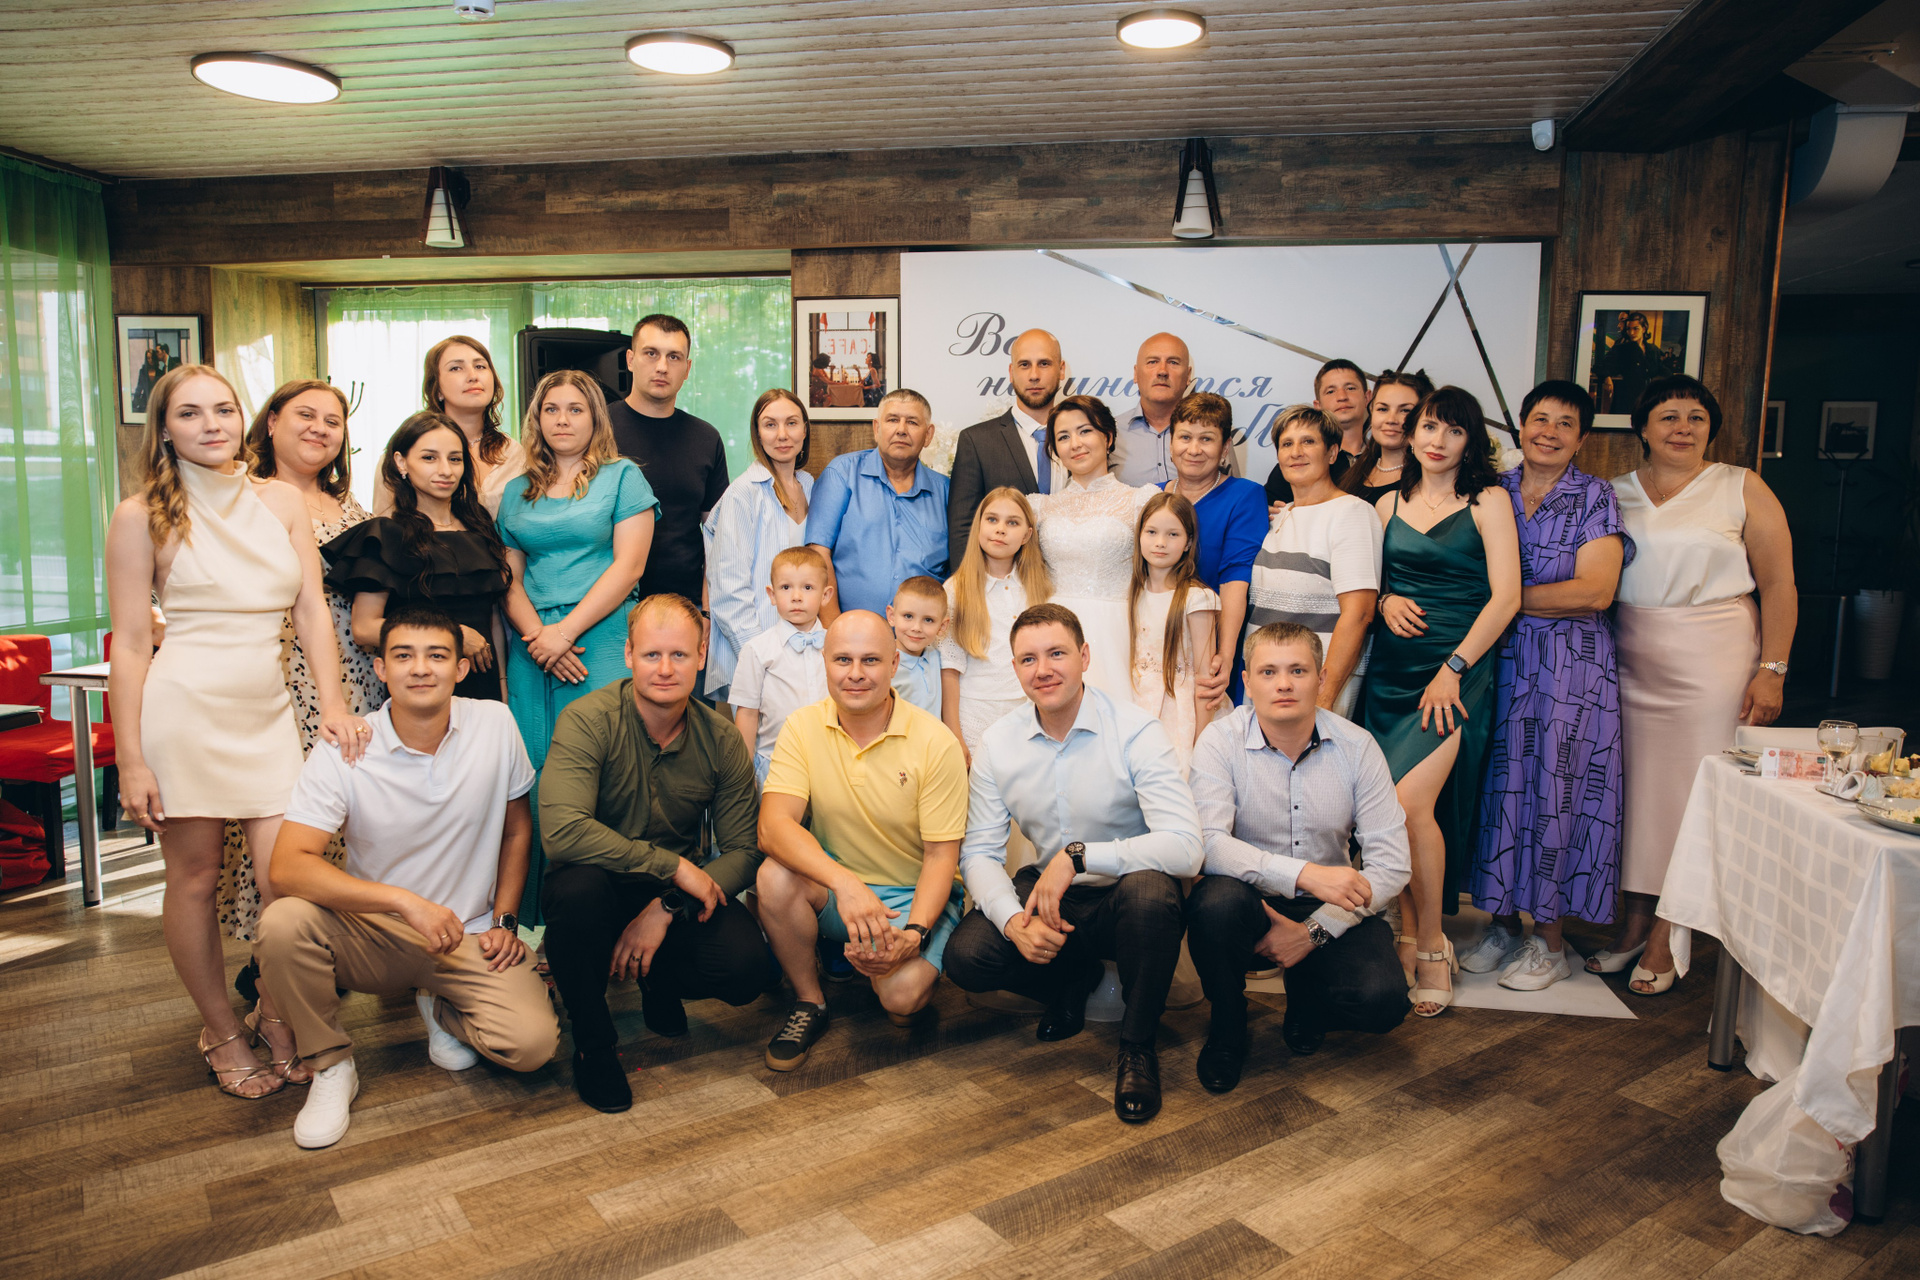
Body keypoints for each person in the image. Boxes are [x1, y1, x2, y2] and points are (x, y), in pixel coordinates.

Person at [106, 364, 371, 1100]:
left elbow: (312, 611)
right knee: (193, 879)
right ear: (165, 430)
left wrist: (335, 704)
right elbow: (130, 644)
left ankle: (277, 1014)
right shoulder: (139, 515)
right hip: (184, 711)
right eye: (190, 413)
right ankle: (221, 1029)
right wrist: (131, 760)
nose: (211, 424)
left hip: (269, 709)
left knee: (284, 878)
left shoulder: (280, 500)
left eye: (223, 409)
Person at [257, 608, 558, 1148]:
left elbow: (517, 830)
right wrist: (403, 902)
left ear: (460, 669)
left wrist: (507, 921)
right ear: (380, 668)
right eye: (403, 656)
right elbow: (286, 867)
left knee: (532, 1047)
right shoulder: (346, 746)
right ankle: (330, 1065)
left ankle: (440, 1003)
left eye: (437, 656)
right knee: (282, 923)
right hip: (376, 933)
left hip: (469, 933)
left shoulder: (495, 723)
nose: (421, 668)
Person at [945, 603, 1202, 1123]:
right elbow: (979, 852)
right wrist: (1013, 922)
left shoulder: (1135, 730)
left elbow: (1186, 846)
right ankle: (1069, 979)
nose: (1043, 670)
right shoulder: (998, 743)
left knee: (1152, 896)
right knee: (967, 957)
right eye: (1028, 659)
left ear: (1084, 657)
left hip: (1127, 895)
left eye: (1057, 654)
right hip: (1051, 897)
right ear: (1015, 669)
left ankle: (1137, 1046)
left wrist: (1079, 856)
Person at [539, 595, 775, 1113]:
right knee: (576, 895)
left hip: (670, 895)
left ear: (701, 656)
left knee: (746, 968)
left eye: (679, 655)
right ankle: (594, 1044)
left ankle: (656, 978)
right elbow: (562, 833)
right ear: (628, 654)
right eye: (651, 655)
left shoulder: (721, 739)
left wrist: (668, 905)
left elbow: (744, 849)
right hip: (594, 883)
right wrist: (673, 866)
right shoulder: (587, 720)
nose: (665, 669)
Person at [1599, 375, 1795, 995]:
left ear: (1711, 429)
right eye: (1668, 416)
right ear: (1643, 428)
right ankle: (1635, 922)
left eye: (1696, 417)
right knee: (1639, 796)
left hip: (1714, 656)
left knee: (1693, 796)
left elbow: (1780, 584)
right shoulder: (1613, 493)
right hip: (1630, 657)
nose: (1683, 427)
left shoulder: (1741, 485)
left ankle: (1670, 930)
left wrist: (1773, 670)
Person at [1185, 622, 1411, 1092]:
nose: (1283, 684)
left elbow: (1392, 865)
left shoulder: (1357, 747)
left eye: (1297, 671)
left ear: (1321, 678)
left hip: (1330, 903)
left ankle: (1308, 1000)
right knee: (1214, 904)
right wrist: (1304, 875)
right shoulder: (1220, 741)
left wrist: (1313, 931)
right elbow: (1208, 842)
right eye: (1268, 672)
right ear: (1247, 682)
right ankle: (1227, 1025)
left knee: (1383, 1001)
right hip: (1250, 898)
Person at [1463, 381, 1631, 990]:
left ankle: (1551, 942)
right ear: (1521, 426)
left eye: (1565, 423)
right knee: (1498, 786)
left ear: (1581, 438)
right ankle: (1502, 923)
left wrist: (1504, 600)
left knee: (1556, 791)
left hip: (1571, 669)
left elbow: (1596, 591)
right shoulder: (1491, 490)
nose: (1550, 432)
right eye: (1540, 419)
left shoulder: (1594, 496)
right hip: (1498, 661)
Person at [1361, 386, 1520, 1018]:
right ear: (1411, 432)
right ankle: (1407, 936)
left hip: (1456, 668)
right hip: (1391, 674)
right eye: (1429, 426)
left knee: (1410, 805)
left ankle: (1431, 943)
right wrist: (1383, 602)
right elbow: (1365, 586)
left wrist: (1454, 668)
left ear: (1470, 442)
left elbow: (1507, 597)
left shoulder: (1489, 501)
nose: (1437, 440)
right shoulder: (1384, 504)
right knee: (1388, 811)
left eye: (1453, 431)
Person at [755, 611, 969, 1069]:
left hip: (910, 896)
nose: (855, 673)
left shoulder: (936, 742)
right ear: (825, 663)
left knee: (901, 1000)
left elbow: (940, 857)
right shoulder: (801, 726)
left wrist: (913, 934)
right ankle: (810, 1001)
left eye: (870, 660)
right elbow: (773, 827)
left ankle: (881, 959)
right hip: (839, 892)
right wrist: (846, 884)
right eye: (843, 660)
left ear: (894, 664)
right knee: (773, 877)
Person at [218, 380, 386, 947]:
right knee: (287, 810)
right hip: (282, 669)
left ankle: (339, 946)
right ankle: (277, 949)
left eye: (333, 421)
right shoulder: (245, 495)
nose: (320, 429)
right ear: (271, 422)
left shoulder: (350, 506)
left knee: (349, 804)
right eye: (305, 415)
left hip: (356, 668)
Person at [498, 369, 659, 919]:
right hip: (532, 645)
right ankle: (544, 919)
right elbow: (508, 577)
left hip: (602, 636)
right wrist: (540, 638)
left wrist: (565, 633)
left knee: (606, 772)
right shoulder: (517, 492)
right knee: (535, 770)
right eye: (551, 409)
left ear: (595, 419)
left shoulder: (623, 478)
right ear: (536, 419)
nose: (562, 420)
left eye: (575, 409)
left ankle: (613, 916)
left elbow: (630, 565)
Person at [326, 412, 513, 704]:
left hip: (482, 688)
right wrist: (452, 635)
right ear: (401, 462)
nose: (445, 470)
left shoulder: (480, 528)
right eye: (429, 458)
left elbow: (492, 621)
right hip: (417, 684)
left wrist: (502, 686)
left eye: (455, 459)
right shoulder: (385, 535)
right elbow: (364, 628)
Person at [1248, 405, 1382, 718]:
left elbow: (1359, 614)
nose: (1296, 452)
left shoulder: (1352, 513)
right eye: (1287, 444)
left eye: (1308, 442)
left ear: (1332, 453)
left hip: (1316, 689)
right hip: (1266, 682)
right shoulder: (1280, 516)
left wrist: (1325, 696)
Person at [1030, 395, 1157, 699]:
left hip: (1117, 632)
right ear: (1054, 449)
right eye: (1063, 437)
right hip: (1053, 631)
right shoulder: (1038, 507)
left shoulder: (1141, 501)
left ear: (1108, 437)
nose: (1075, 444)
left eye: (1085, 431)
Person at [608, 314, 730, 610]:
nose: (662, 366)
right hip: (608, 606)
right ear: (630, 359)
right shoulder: (598, 429)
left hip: (685, 606)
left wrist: (706, 610)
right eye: (651, 353)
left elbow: (718, 537)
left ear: (687, 369)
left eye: (674, 357)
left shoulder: (706, 438)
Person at [702, 389, 814, 701]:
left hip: (802, 649)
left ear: (805, 430)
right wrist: (761, 657)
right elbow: (728, 590)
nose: (782, 435)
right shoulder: (744, 493)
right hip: (758, 654)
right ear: (757, 433)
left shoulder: (809, 486)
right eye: (770, 425)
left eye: (791, 423)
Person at [806, 388, 950, 618]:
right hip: (850, 633)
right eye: (892, 420)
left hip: (922, 635)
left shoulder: (946, 491)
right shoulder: (842, 474)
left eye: (912, 422)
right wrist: (833, 628)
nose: (901, 430)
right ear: (876, 428)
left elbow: (959, 569)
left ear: (928, 435)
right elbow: (817, 554)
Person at [1163, 392, 1265, 711]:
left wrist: (1227, 654)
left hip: (1211, 643)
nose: (1194, 449)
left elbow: (1235, 579)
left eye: (1206, 439)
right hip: (1159, 642)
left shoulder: (1245, 495)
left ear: (1224, 448)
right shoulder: (1154, 496)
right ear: (1171, 443)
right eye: (1185, 437)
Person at [940, 487, 1051, 764]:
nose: (1000, 529)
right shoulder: (955, 590)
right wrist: (954, 734)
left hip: (1030, 714)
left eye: (1012, 522)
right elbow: (949, 668)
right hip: (974, 717)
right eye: (992, 519)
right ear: (978, 526)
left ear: (1026, 535)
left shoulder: (1042, 590)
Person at [945, 329, 1065, 569]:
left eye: (1044, 364)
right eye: (1024, 365)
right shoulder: (977, 441)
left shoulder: (1082, 442)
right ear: (1011, 372)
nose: (1034, 375)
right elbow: (963, 530)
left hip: (1070, 582)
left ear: (1061, 370)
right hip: (1002, 583)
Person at [374, 335, 527, 517]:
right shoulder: (406, 451)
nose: (473, 376)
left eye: (480, 366)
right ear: (437, 388)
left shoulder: (514, 453)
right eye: (456, 368)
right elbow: (384, 523)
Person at [1128, 492, 1223, 772]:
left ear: (1188, 542)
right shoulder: (1132, 593)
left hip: (1181, 713)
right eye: (1152, 532)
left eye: (1173, 534)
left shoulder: (1198, 598)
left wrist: (1201, 743)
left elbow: (1205, 677)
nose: (1160, 542)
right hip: (1135, 704)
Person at [730, 547, 831, 783]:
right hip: (774, 764)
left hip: (830, 764)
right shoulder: (757, 650)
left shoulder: (837, 646)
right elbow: (747, 713)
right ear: (772, 594)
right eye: (786, 587)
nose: (796, 596)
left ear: (825, 596)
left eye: (807, 588)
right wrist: (742, 775)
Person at [1113, 333, 1241, 487]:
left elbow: (1234, 492)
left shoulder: (1212, 430)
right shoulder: (1111, 432)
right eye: (1152, 362)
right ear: (1136, 373)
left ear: (1188, 375)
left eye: (1173, 362)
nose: (1162, 371)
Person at [1266, 359, 1367, 504]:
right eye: (1330, 391)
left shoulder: (1384, 459)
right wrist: (1267, 510)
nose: (1342, 397)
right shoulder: (1296, 464)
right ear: (1317, 405)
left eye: (1350, 388)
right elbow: (1267, 506)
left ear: (1367, 397)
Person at [1341, 369, 1434, 504]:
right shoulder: (1353, 474)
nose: (1391, 420)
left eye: (1405, 410)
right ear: (1371, 411)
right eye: (1383, 409)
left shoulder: (1429, 482)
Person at [887, 575, 948, 716]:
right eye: (908, 616)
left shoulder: (938, 657)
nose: (917, 628)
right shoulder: (885, 665)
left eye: (928, 620)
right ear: (892, 616)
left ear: (942, 626)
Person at [1596, 312, 1666, 416]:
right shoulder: (1621, 349)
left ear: (1644, 329)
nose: (1631, 332)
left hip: (1648, 400)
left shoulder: (1653, 349)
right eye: (1629, 329)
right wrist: (1607, 377)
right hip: (1626, 401)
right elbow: (1601, 366)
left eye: (1635, 329)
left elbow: (1662, 369)